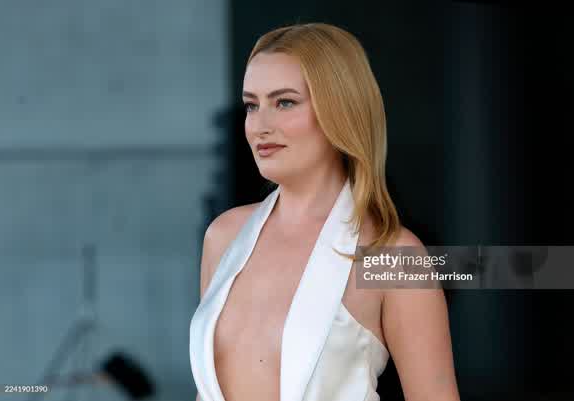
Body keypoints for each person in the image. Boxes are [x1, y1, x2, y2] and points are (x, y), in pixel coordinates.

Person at [190, 22, 460, 401]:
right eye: (252, 105)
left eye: (285, 102)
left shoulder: (395, 257)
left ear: (340, 110)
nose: (260, 126)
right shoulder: (224, 236)